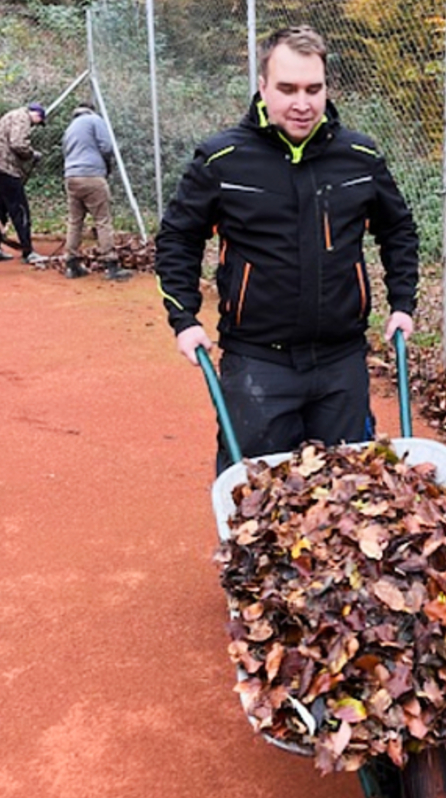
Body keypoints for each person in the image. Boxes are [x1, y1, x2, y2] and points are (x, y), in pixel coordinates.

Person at [155, 25, 419, 473]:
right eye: (288, 89)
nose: (302, 103)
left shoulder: (360, 156)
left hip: (342, 361)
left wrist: (403, 303)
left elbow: (398, 229)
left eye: (313, 89)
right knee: (256, 492)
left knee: (350, 494)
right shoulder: (222, 159)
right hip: (258, 361)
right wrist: (184, 319)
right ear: (262, 87)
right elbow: (179, 237)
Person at [61, 98, 131, 281]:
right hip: (91, 176)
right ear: (91, 110)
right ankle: (110, 265)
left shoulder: (70, 127)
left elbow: (65, 151)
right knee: (102, 219)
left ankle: (71, 264)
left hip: (71, 176)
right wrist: (106, 166)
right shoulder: (95, 120)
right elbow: (107, 146)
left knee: (75, 221)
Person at [0, 102, 47, 265]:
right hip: (7, 168)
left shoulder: (10, 115)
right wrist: (32, 154)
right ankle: (28, 252)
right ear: (37, 114)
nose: (35, 124)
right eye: (38, 121)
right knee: (20, 209)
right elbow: (18, 144)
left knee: (2, 208)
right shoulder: (22, 118)